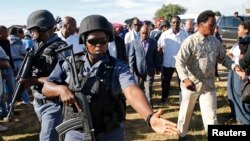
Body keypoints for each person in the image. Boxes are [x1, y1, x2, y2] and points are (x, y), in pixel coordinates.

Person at [42, 14, 179, 141]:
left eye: (103, 41)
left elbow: (131, 91)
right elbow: (46, 87)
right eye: (93, 41)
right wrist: (60, 90)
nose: (98, 46)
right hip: (76, 133)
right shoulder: (70, 64)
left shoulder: (118, 66)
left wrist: (149, 117)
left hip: (109, 131)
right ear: (84, 41)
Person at [175, 10, 245, 140]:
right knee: (185, 114)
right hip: (191, 85)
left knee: (211, 117)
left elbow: (224, 58)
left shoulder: (215, 41)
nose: (214, 28)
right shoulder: (190, 41)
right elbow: (179, 62)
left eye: (215, 25)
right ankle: (182, 136)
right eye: (211, 25)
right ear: (201, 25)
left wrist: (235, 67)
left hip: (208, 86)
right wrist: (185, 79)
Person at [24, 9, 69, 141]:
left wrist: (35, 80)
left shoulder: (61, 47)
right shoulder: (37, 47)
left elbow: (63, 80)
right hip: (39, 101)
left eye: (34, 31)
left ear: (44, 29)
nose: (32, 34)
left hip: (53, 104)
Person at [157, 15, 189, 104]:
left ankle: (182, 101)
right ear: (170, 23)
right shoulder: (165, 34)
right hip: (167, 63)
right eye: (173, 22)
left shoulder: (185, 34)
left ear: (180, 23)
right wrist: (159, 62)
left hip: (181, 64)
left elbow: (188, 49)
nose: (175, 24)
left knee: (182, 84)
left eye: (177, 22)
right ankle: (164, 99)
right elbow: (159, 48)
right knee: (165, 83)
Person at [128, 24, 161, 107]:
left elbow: (156, 56)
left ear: (149, 33)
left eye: (146, 33)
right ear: (140, 32)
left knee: (148, 90)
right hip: (138, 71)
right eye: (143, 33)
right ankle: (140, 105)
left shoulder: (153, 42)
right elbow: (131, 57)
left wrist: (157, 68)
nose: (144, 35)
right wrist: (132, 70)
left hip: (150, 70)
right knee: (139, 89)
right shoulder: (134, 42)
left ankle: (149, 108)